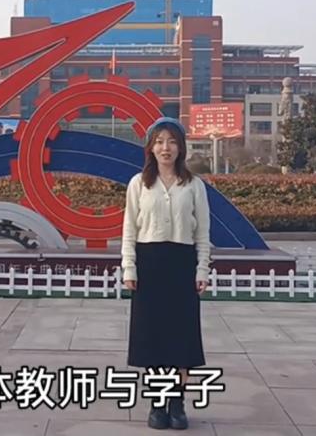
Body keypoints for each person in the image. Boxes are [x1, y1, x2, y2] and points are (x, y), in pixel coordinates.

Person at [121, 117, 211, 430]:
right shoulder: (139, 183)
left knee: (181, 338)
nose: (165, 148)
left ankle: (177, 403)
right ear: (150, 147)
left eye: (172, 141)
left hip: (182, 264)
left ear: (181, 147)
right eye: (159, 142)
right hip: (150, 265)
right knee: (154, 337)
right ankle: (157, 404)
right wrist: (129, 266)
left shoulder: (194, 185)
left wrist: (202, 268)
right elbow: (129, 230)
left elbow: (203, 233)